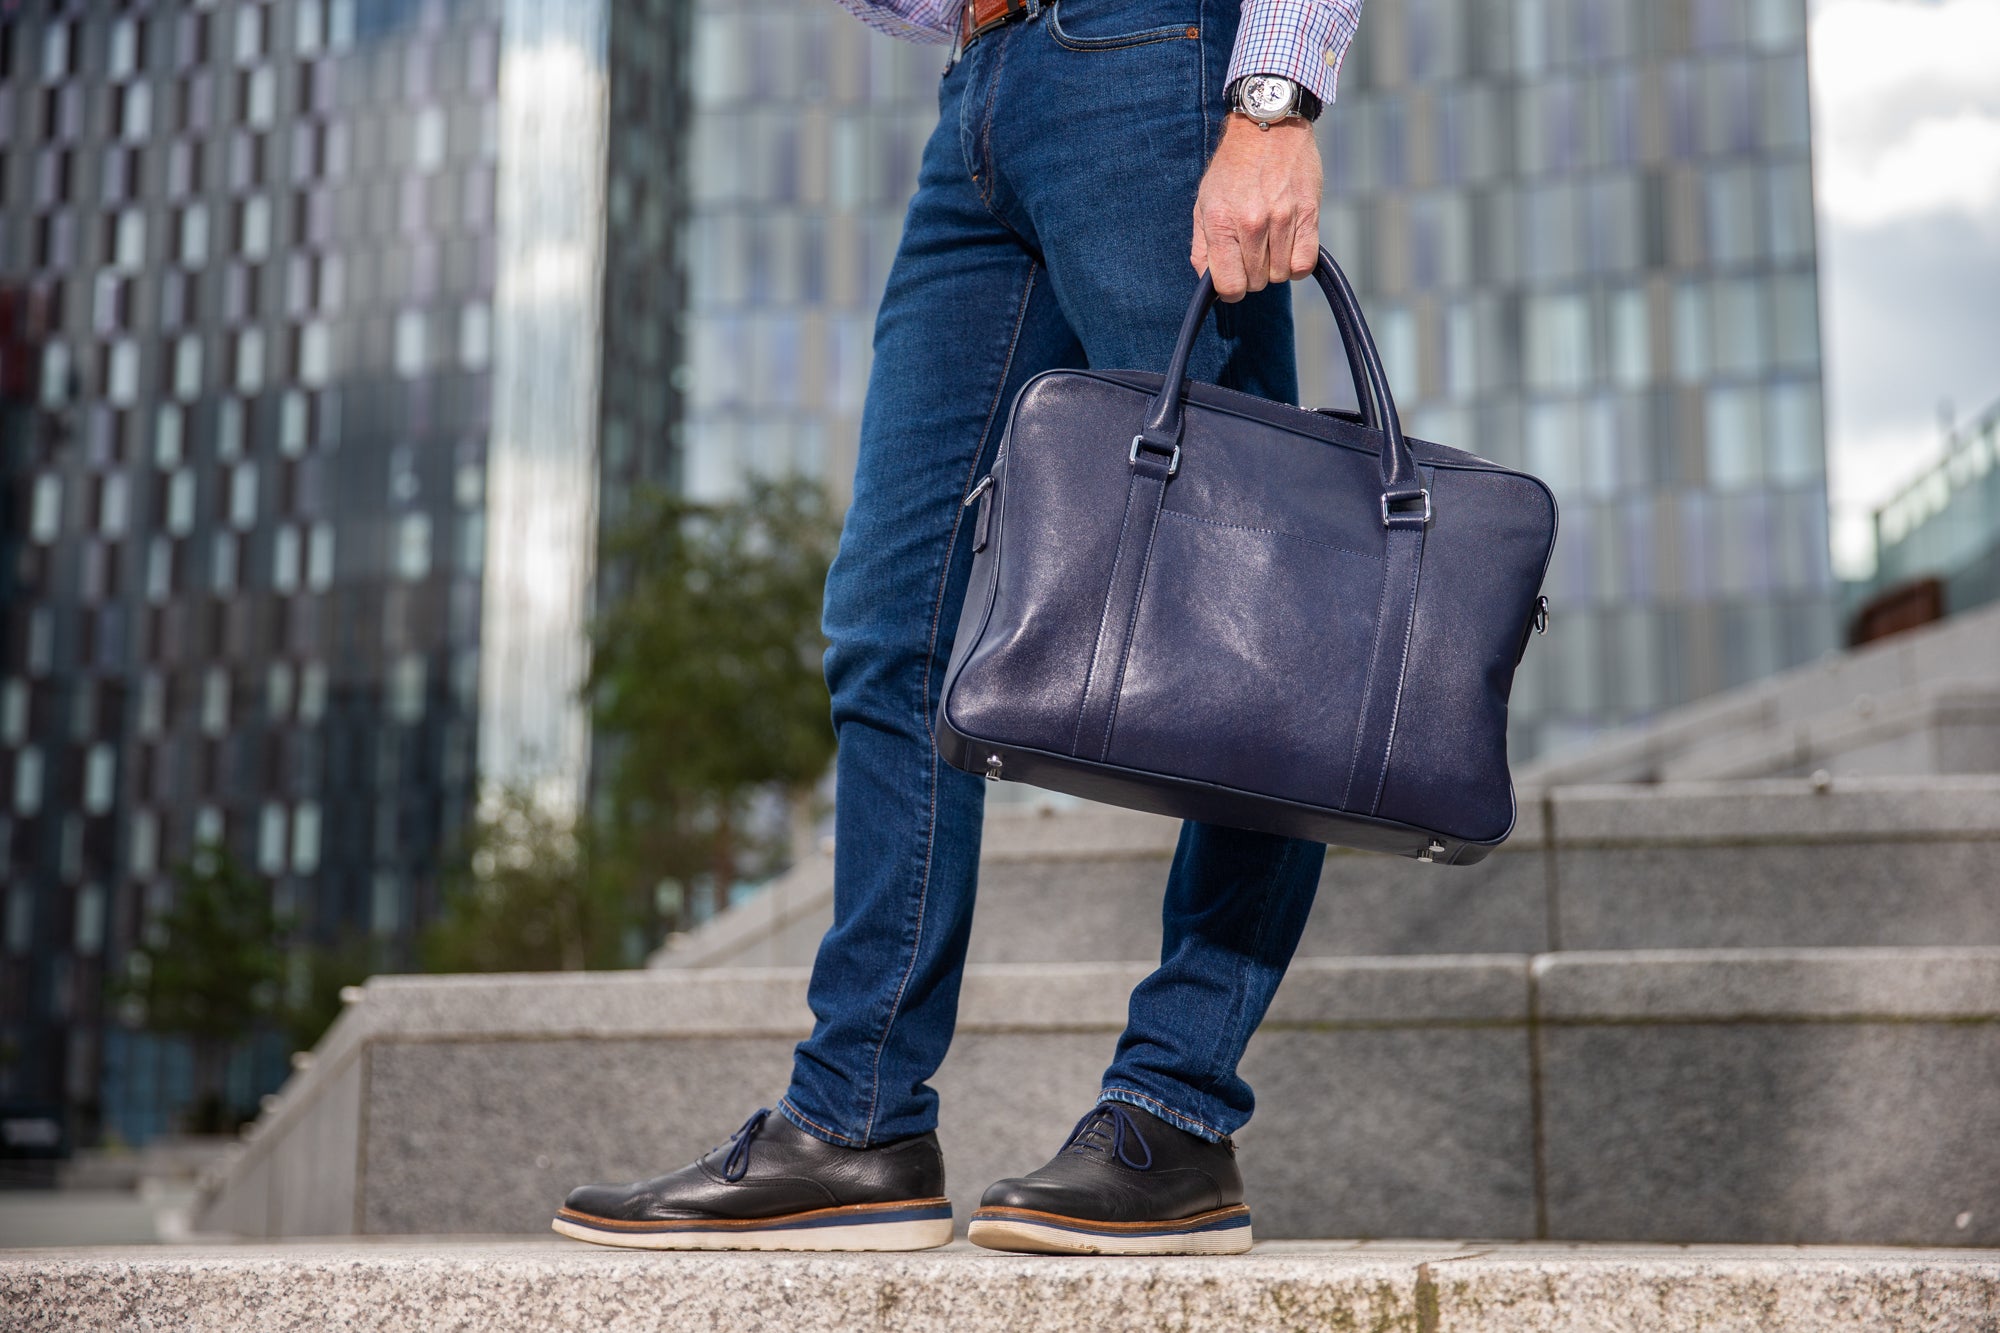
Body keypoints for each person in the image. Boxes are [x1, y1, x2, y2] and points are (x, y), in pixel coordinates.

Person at [554, 0, 1365, 1256]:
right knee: (892, 622)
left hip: (1153, 59)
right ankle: (855, 1121)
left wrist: (1272, 104)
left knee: (1241, 627)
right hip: (981, 85)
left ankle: (1176, 1110)